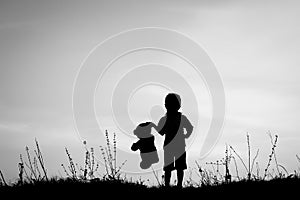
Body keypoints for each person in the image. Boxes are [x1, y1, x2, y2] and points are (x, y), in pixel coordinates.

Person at [152, 93, 193, 188]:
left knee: (171, 167)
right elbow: (190, 128)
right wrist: (186, 135)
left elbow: (161, 132)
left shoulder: (166, 119)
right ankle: (177, 185)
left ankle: (170, 185)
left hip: (171, 146)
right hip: (177, 146)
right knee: (177, 167)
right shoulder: (180, 118)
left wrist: (155, 126)